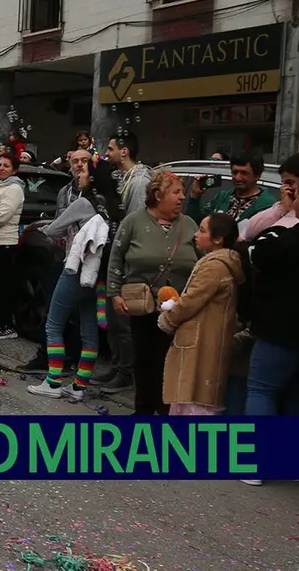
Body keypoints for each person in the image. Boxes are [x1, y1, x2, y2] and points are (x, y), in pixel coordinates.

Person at [26, 158, 122, 400]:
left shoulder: (83, 203)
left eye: (84, 170)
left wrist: (42, 229)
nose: (79, 173)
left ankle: (53, 381)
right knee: (89, 331)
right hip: (98, 272)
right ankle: (79, 386)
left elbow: (55, 228)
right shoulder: (112, 205)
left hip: (77, 269)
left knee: (54, 324)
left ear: (93, 179)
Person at [107, 170, 198, 415]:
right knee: (145, 360)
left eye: (182, 192)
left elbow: (202, 263)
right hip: (143, 306)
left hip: (179, 309)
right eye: (176, 192)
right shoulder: (134, 221)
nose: (182, 197)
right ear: (158, 195)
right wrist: (114, 293)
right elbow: (116, 257)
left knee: (170, 363)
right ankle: (144, 410)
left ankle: (168, 411)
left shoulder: (189, 225)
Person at [241, 172, 299, 488]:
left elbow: (257, 250)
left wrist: (285, 213)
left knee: (263, 389)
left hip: (282, 326)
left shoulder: (292, 239)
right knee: (297, 393)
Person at [156, 213, 243, 416]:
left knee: (193, 402)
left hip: (201, 344)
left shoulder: (215, 266)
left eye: (202, 230)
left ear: (218, 239)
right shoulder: (218, 263)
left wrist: (167, 320)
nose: (196, 234)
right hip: (204, 340)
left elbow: (190, 301)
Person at [0, 151, 25, 340]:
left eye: (6, 166)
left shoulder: (14, 188)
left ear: (15, 170)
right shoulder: (0, 186)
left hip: (5, 241)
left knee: (3, 286)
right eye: (0, 164)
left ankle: (6, 326)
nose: (1, 168)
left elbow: (2, 216)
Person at [187, 152, 276, 224]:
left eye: (244, 173)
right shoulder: (222, 197)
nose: (237, 177)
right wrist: (194, 197)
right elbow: (195, 224)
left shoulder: (268, 206)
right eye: (235, 172)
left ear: (257, 175)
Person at [105, 131, 150, 217]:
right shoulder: (121, 177)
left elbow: (136, 222)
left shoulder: (139, 183)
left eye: (110, 149)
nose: (106, 153)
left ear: (124, 152)